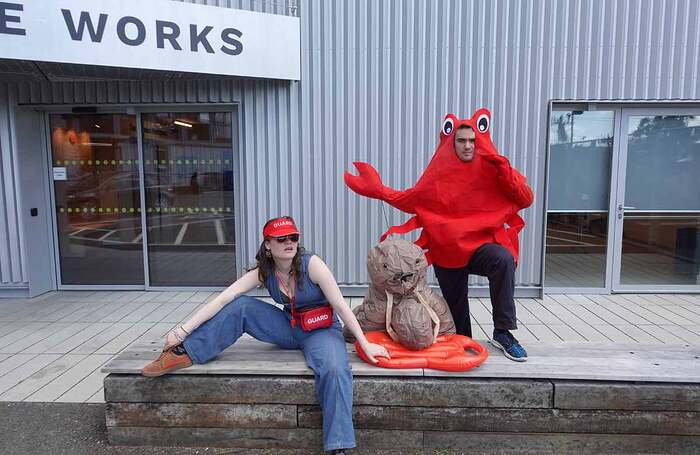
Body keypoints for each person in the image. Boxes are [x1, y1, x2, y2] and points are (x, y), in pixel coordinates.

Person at [142, 215, 389, 454]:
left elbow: (341, 306)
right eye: (281, 239)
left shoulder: (312, 264)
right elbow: (223, 299)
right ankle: (186, 352)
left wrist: (364, 343)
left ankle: (338, 445)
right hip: (289, 326)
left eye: (293, 237)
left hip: (321, 330)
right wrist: (182, 331)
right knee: (241, 307)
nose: (289, 242)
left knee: (335, 370)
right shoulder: (264, 271)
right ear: (268, 245)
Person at [433, 124, 533, 362]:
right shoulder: (439, 173)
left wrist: (504, 169)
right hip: (449, 249)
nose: (468, 145)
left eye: (472, 140)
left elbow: (526, 199)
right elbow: (419, 200)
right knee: (457, 308)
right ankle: (463, 339)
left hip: (479, 246)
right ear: (452, 143)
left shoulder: (491, 169)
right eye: (461, 141)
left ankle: (503, 332)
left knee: (503, 259)